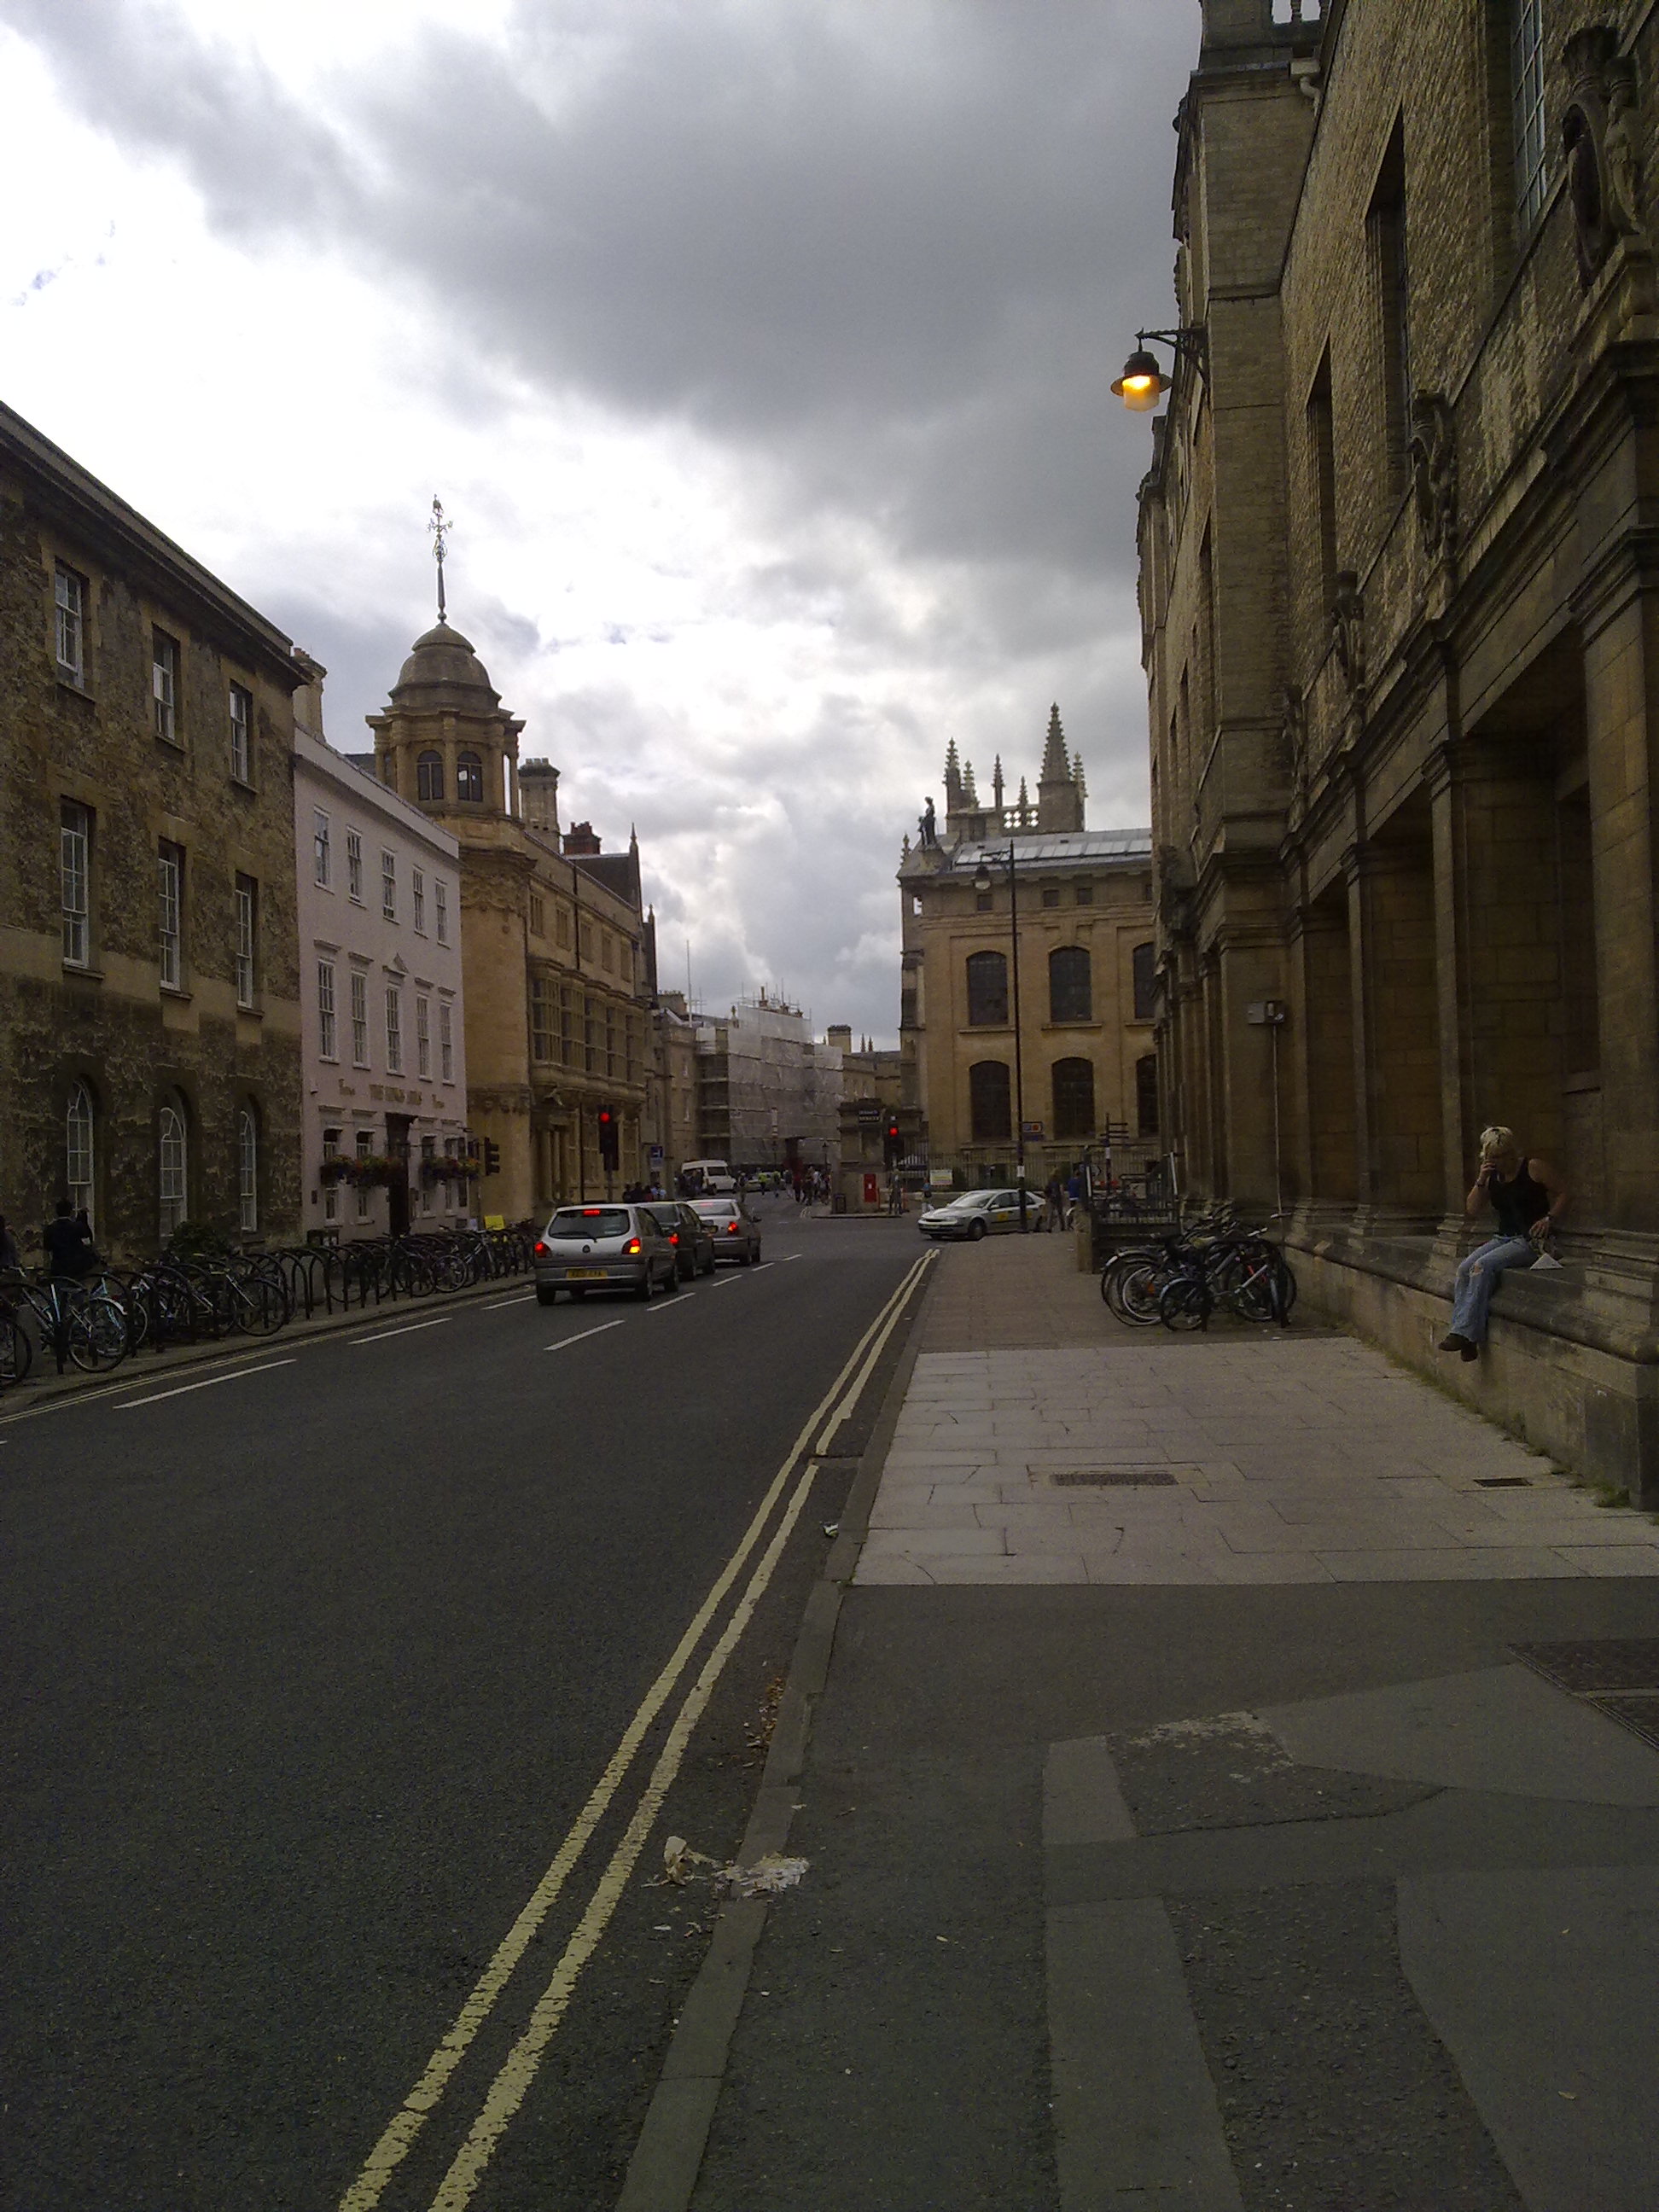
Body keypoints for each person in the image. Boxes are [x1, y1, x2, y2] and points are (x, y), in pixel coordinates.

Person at [1440, 1126, 1567, 1361]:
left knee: (1483, 1267)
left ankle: (1465, 1334)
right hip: (1504, 1237)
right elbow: (1472, 1209)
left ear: (1511, 1153)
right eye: (1493, 1158)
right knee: (1465, 1269)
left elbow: (1564, 1192)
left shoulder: (1533, 1168)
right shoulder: (1492, 1177)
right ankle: (1463, 1333)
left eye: (1502, 1156)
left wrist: (1549, 1218)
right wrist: (1481, 1180)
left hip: (1531, 1240)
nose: (1499, 1162)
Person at [44, 1196, 98, 1281]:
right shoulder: (77, 1226)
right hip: (76, 1267)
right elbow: (86, 1235)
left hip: (59, 1267)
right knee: (77, 1287)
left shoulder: (51, 1228)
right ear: (70, 1212)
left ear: (57, 1212)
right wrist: (82, 1219)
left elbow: (47, 1247)